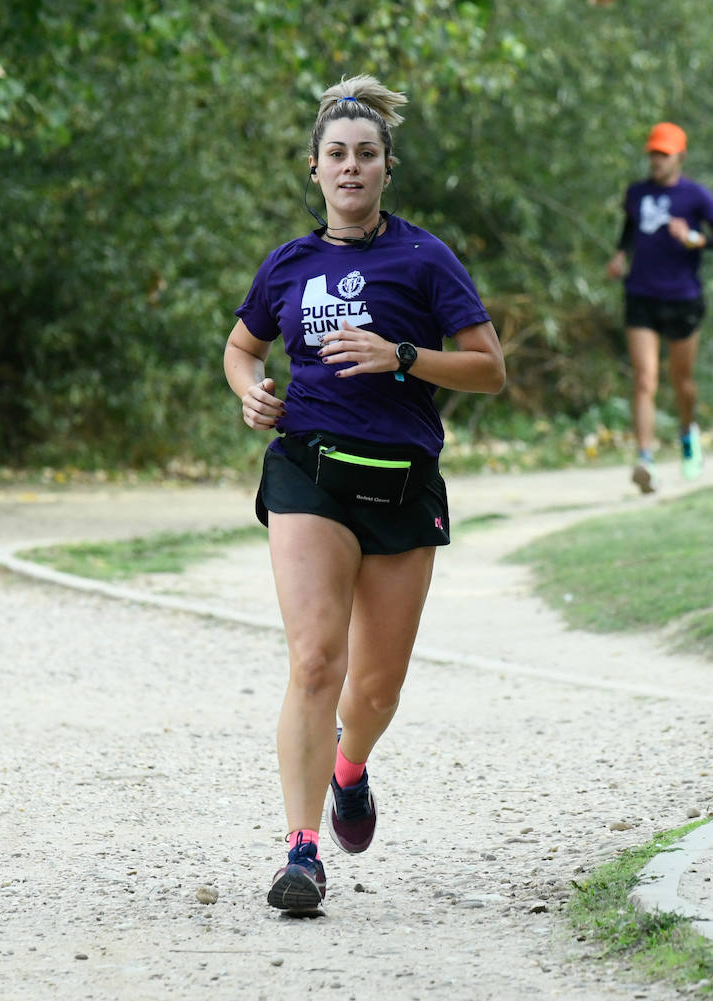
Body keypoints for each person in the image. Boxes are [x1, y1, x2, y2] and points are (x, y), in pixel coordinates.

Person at [223, 75, 506, 913]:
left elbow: (489, 368)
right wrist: (249, 389)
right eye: (336, 155)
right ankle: (302, 852)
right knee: (314, 658)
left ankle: (351, 768)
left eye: (367, 155)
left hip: (401, 482)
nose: (351, 168)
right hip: (307, 467)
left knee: (375, 689)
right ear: (314, 169)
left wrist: (404, 357)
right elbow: (241, 347)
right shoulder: (289, 264)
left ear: (387, 168)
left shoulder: (424, 258)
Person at [605, 121, 713, 493]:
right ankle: (645, 459)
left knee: (683, 381)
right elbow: (630, 228)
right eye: (653, 153)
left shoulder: (696, 196)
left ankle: (687, 432)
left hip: (683, 297)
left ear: (680, 156)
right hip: (641, 295)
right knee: (645, 378)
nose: (657, 160)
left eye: (664, 154)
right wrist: (620, 256)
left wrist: (695, 238)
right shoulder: (636, 193)